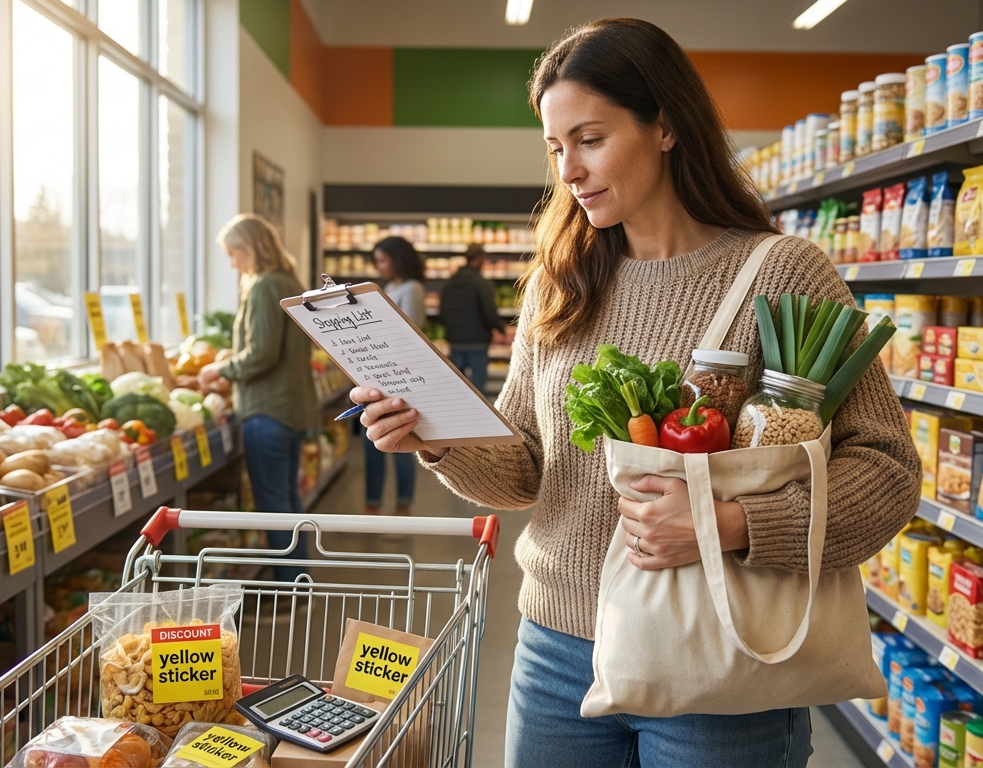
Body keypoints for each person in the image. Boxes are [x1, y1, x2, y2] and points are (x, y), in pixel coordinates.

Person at [353, 18, 920, 767]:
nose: (569, 170)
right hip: (556, 654)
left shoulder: (782, 274)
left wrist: (732, 523)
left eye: (589, 139)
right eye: (555, 148)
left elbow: (888, 470)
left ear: (666, 127)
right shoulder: (559, 283)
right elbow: (523, 471)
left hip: (717, 658)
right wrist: (439, 437)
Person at [200, 214, 315, 582]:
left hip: (268, 412)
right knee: (289, 500)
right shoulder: (288, 281)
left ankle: (288, 587)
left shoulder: (265, 286)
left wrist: (223, 370)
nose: (233, 263)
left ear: (250, 248)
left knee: (273, 504)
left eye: (234, 253)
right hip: (291, 408)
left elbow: (262, 352)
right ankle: (300, 580)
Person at [364, 236, 425, 516]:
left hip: (401, 377)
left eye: (383, 260)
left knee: (400, 443)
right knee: (374, 442)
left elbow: (409, 334)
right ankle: (373, 503)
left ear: (397, 259)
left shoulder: (412, 289)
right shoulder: (390, 287)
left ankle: (403, 503)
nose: (379, 266)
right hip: (380, 375)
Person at [439, 243, 507, 393]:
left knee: (457, 388)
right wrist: (500, 329)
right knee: (478, 388)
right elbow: (490, 312)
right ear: (479, 259)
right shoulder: (481, 283)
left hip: (455, 342)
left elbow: (442, 312)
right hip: (477, 342)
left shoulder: (450, 283)